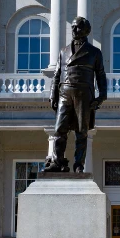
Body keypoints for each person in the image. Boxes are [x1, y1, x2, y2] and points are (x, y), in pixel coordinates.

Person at [46, 16, 107, 173]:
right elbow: (57, 74)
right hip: (65, 93)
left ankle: (79, 164)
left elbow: (100, 75)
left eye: (78, 27)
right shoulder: (63, 51)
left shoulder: (94, 52)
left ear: (86, 31)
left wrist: (101, 97)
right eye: (73, 27)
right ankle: (57, 162)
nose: (74, 30)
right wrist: (53, 94)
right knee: (59, 129)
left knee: (82, 131)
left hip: (83, 94)